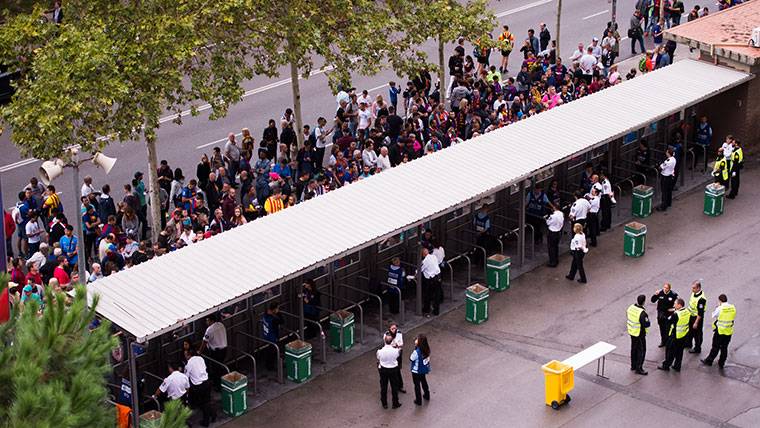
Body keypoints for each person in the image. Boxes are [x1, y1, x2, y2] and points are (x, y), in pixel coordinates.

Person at [701, 294, 736, 369]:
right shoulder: (733, 307)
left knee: (715, 346)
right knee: (724, 348)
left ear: (720, 301)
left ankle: (709, 361)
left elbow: (713, 315)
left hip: (720, 331)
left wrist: (717, 308)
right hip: (728, 331)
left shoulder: (720, 308)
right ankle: (721, 363)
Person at [184, 348, 216, 427]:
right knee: (206, 401)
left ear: (188, 355)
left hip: (198, 386)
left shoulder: (188, 364)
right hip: (206, 381)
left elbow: (186, 377)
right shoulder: (200, 358)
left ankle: (206, 421)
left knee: (203, 403)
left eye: (185, 355)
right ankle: (212, 413)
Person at [658, 298, 689, 372]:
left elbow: (669, 321)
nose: (674, 305)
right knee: (679, 352)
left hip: (674, 335)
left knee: (669, 351)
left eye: (675, 304)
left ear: (679, 305)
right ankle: (677, 366)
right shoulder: (687, 311)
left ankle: (666, 365)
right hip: (683, 335)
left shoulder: (676, 315)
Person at [199, 314, 228, 388]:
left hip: (216, 351)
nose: (206, 322)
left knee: (216, 369)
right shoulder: (221, 324)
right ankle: (223, 382)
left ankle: (217, 386)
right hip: (224, 349)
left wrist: (200, 352)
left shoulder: (209, 329)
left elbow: (204, 342)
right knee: (220, 366)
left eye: (207, 320)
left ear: (211, 320)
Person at [377, 333, 402, 409]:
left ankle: (384, 403)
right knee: (394, 386)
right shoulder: (396, 351)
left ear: (384, 341)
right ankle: (395, 402)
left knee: (383, 386)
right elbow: (398, 355)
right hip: (393, 369)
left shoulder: (380, 351)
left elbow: (378, 358)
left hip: (383, 369)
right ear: (392, 342)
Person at [627, 294, 650, 375]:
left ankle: (633, 365)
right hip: (639, 333)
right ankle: (639, 368)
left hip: (632, 331)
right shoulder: (642, 313)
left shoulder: (630, 307)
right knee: (641, 350)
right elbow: (646, 324)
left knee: (634, 349)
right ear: (643, 302)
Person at [651, 283, 679, 347]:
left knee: (668, 329)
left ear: (669, 289)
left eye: (667, 288)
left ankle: (668, 342)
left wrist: (673, 309)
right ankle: (663, 341)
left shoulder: (673, 295)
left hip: (668, 314)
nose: (665, 289)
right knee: (662, 328)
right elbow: (653, 300)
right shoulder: (660, 293)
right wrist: (655, 295)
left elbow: (677, 305)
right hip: (661, 314)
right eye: (664, 287)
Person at [686, 280, 707, 354]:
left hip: (697, 317)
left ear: (698, 288)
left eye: (694, 288)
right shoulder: (694, 293)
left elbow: (700, 313)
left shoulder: (701, 299)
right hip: (691, 315)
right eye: (692, 288)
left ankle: (697, 348)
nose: (692, 289)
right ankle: (688, 344)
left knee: (697, 334)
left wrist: (696, 322)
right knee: (690, 331)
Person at [420, 246, 442, 317]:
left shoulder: (424, 261)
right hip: (438, 276)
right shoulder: (433, 257)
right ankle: (436, 311)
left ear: (423, 254)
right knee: (437, 294)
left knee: (427, 295)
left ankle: (426, 309)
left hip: (431, 280)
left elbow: (420, 269)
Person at [410, 334, 431, 406]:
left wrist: (415, 348)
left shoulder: (416, 352)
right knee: (424, 381)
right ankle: (427, 394)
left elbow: (411, 358)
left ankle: (418, 400)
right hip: (423, 370)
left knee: (417, 385)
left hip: (416, 371)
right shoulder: (427, 349)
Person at [261, 302, 283, 371]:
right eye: (277, 308)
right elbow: (282, 321)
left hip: (266, 335)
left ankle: (270, 364)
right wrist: (278, 313)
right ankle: (270, 366)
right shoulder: (273, 319)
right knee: (272, 352)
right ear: (274, 309)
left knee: (270, 350)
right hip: (272, 337)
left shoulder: (265, 314)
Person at [386, 322, 406, 393]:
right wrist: (395, 345)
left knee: (398, 370)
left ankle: (400, 386)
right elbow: (387, 344)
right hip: (391, 354)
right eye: (392, 328)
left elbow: (401, 344)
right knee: (392, 370)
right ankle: (395, 386)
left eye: (395, 328)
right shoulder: (386, 334)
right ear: (389, 329)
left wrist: (395, 344)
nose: (394, 330)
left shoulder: (399, 333)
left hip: (398, 353)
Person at [545, 203, 564, 268]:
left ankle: (552, 262)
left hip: (552, 232)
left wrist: (547, 218)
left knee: (551, 247)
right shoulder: (561, 214)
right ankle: (556, 259)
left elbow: (548, 222)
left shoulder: (553, 216)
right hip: (558, 232)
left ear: (554, 208)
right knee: (556, 247)